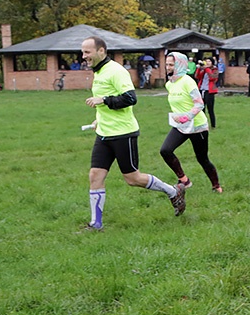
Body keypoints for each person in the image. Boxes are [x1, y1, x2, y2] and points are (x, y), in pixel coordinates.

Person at [80, 36, 186, 231]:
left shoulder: (116, 71)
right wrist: (99, 118)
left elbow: (130, 98)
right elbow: (107, 102)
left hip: (123, 133)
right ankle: (96, 224)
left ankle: (173, 191)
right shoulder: (99, 71)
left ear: (101, 51)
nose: (83, 56)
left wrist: (103, 100)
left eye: (87, 52)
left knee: (133, 179)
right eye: (83, 52)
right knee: (95, 175)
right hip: (104, 133)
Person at [160, 52, 223, 193]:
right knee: (165, 150)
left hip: (197, 126)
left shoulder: (188, 81)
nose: (168, 67)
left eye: (171, 64)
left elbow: (199, 104)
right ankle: (184, 180)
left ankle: (216, 186)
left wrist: (187, 116)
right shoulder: (169, 85)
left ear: (180, 65)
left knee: (202, 158)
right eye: (167, 64)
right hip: (180, 126)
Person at [195, 58, 219, 128]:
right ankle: (203, 124)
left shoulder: (215, 70)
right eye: (206, 61)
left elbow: (212, 78)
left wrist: (206, 69)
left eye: (209, 61)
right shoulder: (204, 70)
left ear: (212, 62)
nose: (207, 62)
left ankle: (213, 125)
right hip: (202, 90)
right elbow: (197, 76)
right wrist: (199, 68)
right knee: (201, 109)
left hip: (210, 91)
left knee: (210, 109)